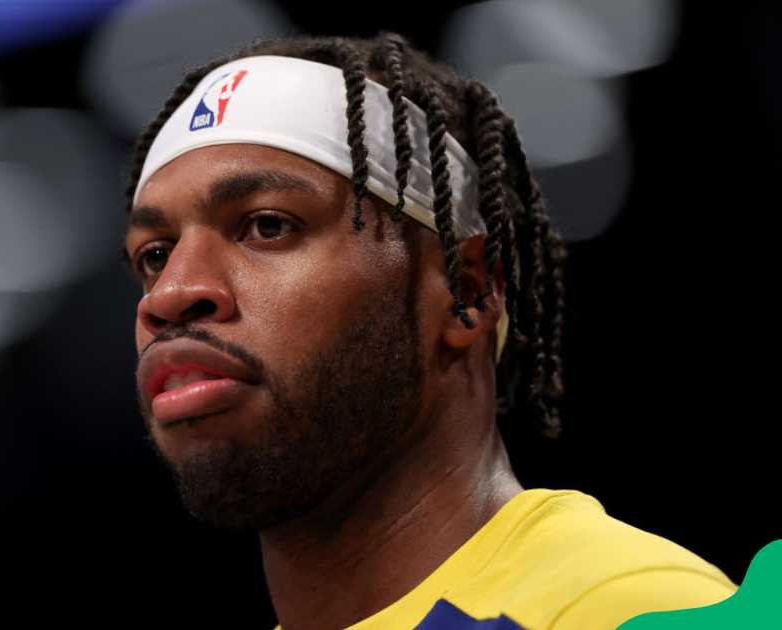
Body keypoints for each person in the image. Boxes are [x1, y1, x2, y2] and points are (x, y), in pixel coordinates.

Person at [120, 32, 738, 630]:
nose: (170, 294)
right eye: (155, 255)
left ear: (467, 291)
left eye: (268, 226)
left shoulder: (636, 607)